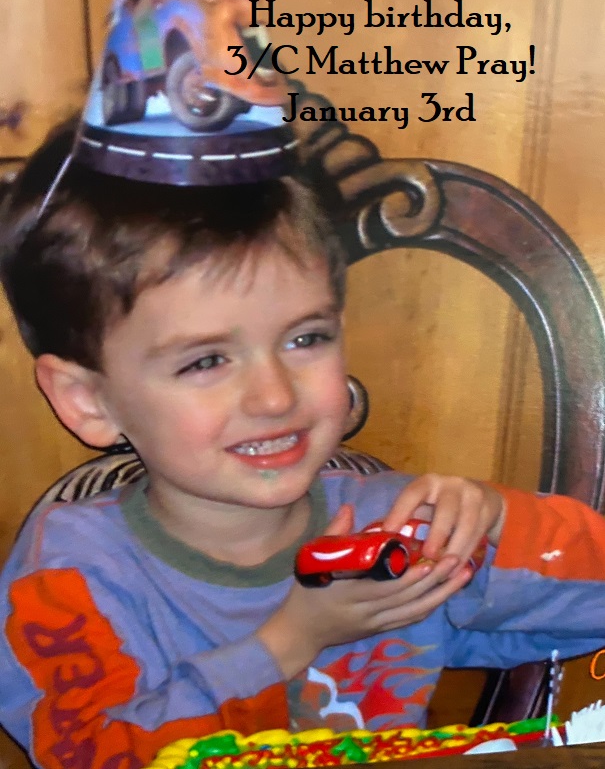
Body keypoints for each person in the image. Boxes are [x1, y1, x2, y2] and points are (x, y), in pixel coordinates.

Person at [1, 123, 605, 769]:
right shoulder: (69, 573)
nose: (274, 397)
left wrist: (498, 519)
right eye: (205, 360)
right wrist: (292, 638)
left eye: (304, 338)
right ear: (89, 401)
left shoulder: (395, 527)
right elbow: (90, 756)